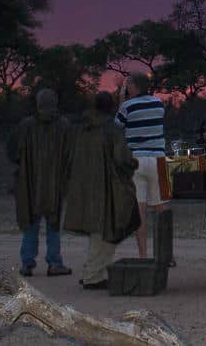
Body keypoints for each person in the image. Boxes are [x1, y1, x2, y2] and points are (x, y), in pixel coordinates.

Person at [63, 90, 140, 290]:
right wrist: (133, 163)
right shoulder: (112, 130)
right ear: (111, 107)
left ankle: (92, 272)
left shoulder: (81, 129)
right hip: (108, 188)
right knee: (109, 230)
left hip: (83, 186)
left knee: (97, 232)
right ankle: (92, 276)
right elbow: (122, 158)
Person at [6, 88, 74, 277]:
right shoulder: (64, 125)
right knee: (53, 225)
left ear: (38, 104)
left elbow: (12, 151)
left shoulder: (26, 125)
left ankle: (27, 263)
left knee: (30, 223)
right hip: (54, 185)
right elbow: (71, 155)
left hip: (30, 184)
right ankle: (54, 263)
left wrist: (23, 166)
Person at [116, 72, 169, 259]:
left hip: (136, 161)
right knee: (162, 210)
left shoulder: (127, 106)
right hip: (159, 160)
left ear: (134, 86)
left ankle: (144, 256)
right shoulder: (158, 104)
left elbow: (116, 129)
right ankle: (166, 254)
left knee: (139, 213)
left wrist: (121, 101)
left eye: (128, 85)